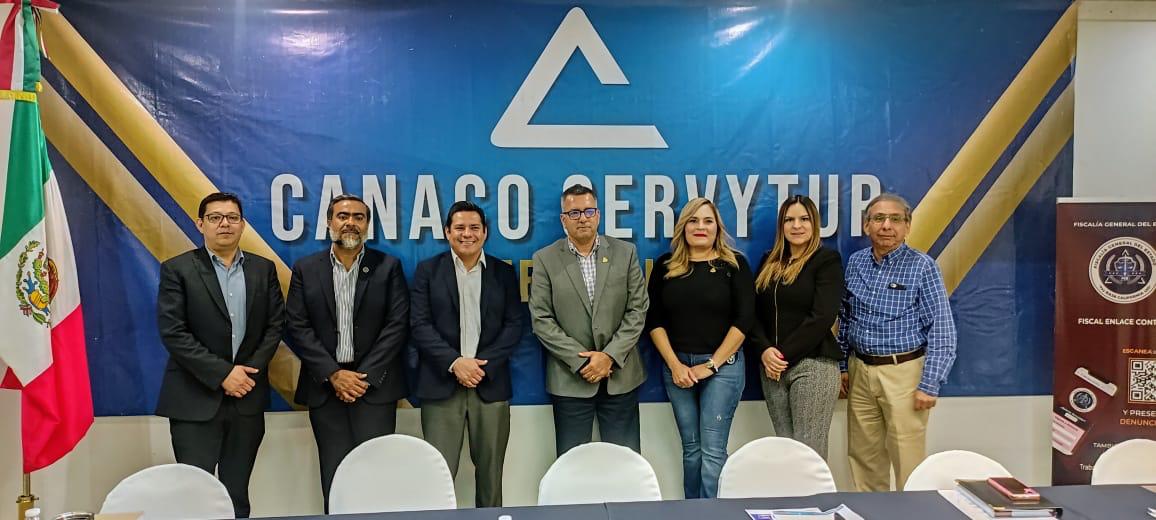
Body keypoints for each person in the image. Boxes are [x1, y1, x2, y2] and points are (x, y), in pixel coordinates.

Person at [156, 192, 284, 518]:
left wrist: (246, 373)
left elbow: (275, 326)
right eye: (215, 217)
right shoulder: (178, 269)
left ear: (242, 225)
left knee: (236, 494)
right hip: (194, 400)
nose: (224, 224)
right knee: (196, 495)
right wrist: (223, 374)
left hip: (247, 399)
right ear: (200, 224)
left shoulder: (263, 269)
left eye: (232, 217)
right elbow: (174, 332)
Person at [284, 194, 410, 511]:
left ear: (367, 225)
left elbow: (397, 324)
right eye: (343, 216)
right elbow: (297, 325)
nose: (350, 222)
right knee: (335, 473)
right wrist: (333, 374)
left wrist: (362, 377)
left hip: (374, 388)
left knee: (376, 474)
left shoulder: (388, 267)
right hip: (326, 388)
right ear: (329, 222)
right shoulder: (306, 269)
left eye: (358, 217)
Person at [839, 193, 957, 491]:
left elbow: (941, 327)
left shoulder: (922, 266)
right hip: (860, 371)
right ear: (866, 225)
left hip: (904, 373)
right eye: (878, 218)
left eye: (895, 219)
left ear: (907, 226)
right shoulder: (855, 263)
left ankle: (911, 511)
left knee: (908, 460)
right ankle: (870, 511)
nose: (886, 226)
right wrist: (842, 366)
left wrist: (930, 384)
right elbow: (846, 316)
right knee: (864, 457)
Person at [411, 201, 524, 507]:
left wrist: (480, 366)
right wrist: (455, 362)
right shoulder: (428, 271)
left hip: (490, 385)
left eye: (474, 227)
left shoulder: (503, 273)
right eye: (459, 228)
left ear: (485, 232)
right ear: (447, 232)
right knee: (438, 475)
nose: (467, 234)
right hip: (441, 385)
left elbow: (514, 325)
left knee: (491, 476)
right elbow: (419, 325)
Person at [645, 197, 755, 499]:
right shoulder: (666, 266)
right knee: (692, 451)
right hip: (678, 369)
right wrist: (675, 365)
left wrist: (711, 365)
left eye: (708, 221)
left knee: (712, 452)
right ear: (683, 227)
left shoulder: (734, 265)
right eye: (693, 221)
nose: (700, 227)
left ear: (717, 227)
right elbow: (654, 320)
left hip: (722, 369)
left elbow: (744, 320)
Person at [529, 184, 649, 455]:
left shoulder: (625, 253)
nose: (582, 218)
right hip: (570, 380)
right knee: (573, 463)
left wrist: (609, 357)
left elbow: (637, 309)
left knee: (624, 462)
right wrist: (583, 362)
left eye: (588, 211)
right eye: (574, 213)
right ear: (563, 219)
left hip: (620, 377)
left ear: (598, 215)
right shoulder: (545, 259)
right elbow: (542, 319)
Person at [750, 195, 844, 459]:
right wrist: (764, 351)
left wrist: (781, 356)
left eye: (804, 219)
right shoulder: (769, 261)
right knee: (785, 449)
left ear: (815, 224)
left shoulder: (826, 260)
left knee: (808, 453)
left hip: (813, 366)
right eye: (789, 220)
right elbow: (752, 313)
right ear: (781, 225)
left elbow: (822, 316)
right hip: (772, 369)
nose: (797, 225)